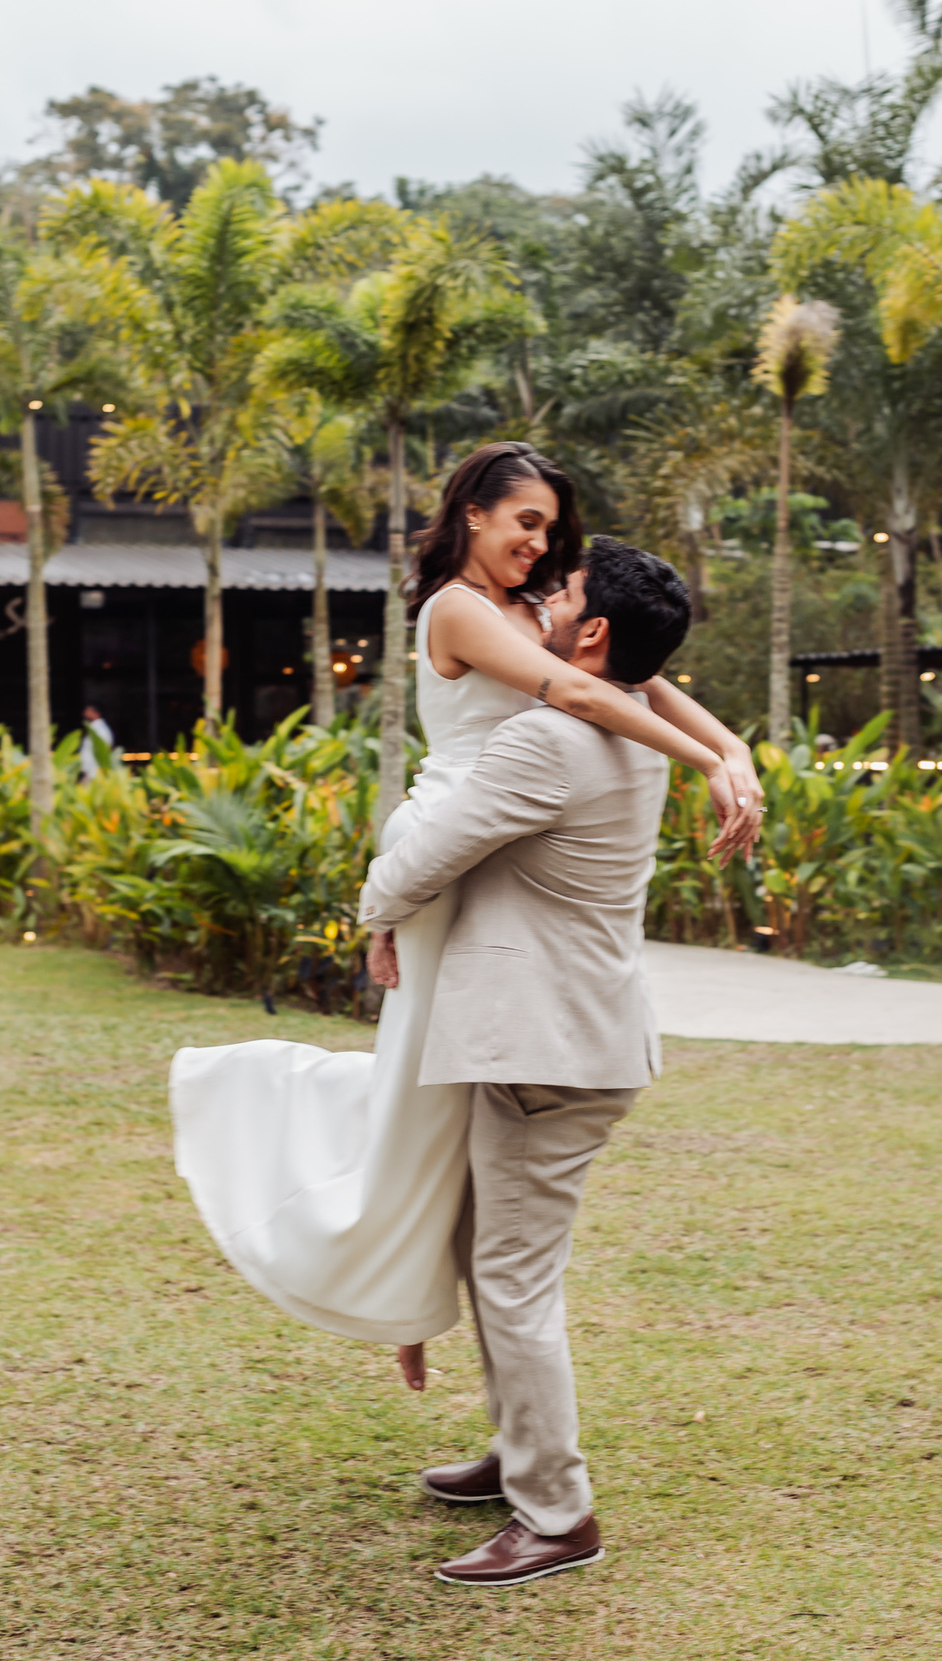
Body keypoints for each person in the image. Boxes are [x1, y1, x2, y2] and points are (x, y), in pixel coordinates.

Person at [170, 443, 762, 1372]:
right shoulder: (456, 608)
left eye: (551, 530)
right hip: (446, 844)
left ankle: (407, 1298)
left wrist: (737, 755)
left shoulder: (542, 607)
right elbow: (583, 690)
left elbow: (643, 680)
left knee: (441, 1098)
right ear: (474, 513)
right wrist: (700, 765)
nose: (540, 545)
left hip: (492, 851)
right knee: (420, 1095)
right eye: (526, 522)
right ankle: (393, 1295)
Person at [358, 536, 688, 1585]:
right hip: (573, 1037)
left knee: (512, 1276)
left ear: (593, 634)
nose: (543, 600)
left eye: (566, 593)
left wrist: (373, 911)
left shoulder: (550, 740)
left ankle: (556, 1512)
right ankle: (518, 1450)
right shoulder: (629, 731)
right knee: (488, 1253)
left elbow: (433, 849)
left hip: (550, 1049)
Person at [79, 704, 114, 781]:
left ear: (97, 714)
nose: (84, 714)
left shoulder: (101, 730)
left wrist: (96, 772)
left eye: (88, 712)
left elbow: (103, 752)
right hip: (89, 772)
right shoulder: (93, 728)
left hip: (95, 773)